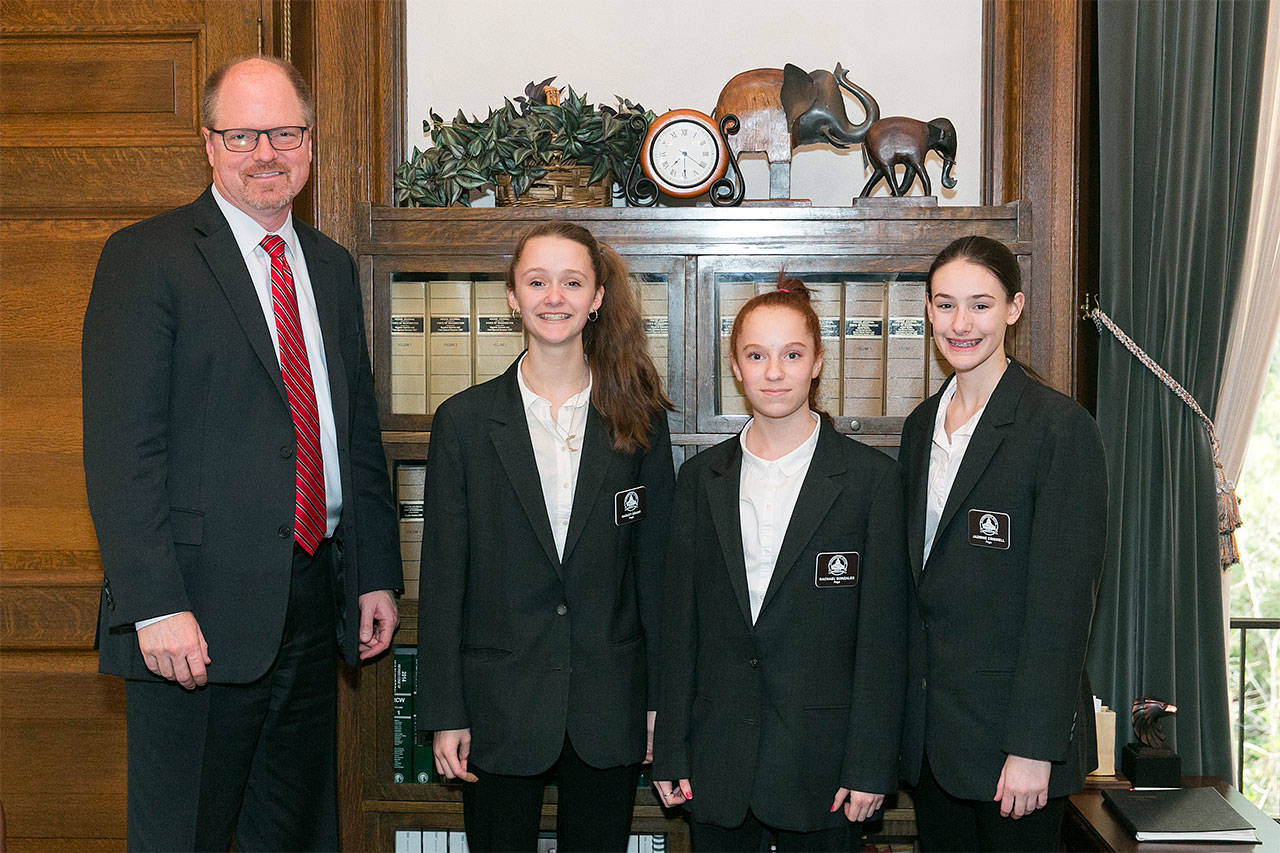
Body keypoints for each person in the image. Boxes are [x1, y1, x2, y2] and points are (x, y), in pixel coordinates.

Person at [81, 56, 402, 851]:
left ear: (312, 141)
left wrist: (372, 573)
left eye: (286, 132)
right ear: (208, 143)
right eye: (243, 133)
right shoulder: (146, 258)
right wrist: (154, 602)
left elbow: (352, 434)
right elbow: (123, 450)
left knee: (291, 835)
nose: (267, 151)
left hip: (310, 601)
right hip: (191, 616)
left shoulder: (327, 265)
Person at [416, 221, 676, 853]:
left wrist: (657, 703)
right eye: (537, 282)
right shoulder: (465, 423)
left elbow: (658, 575)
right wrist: (444, 711)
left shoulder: (640, 418)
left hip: (610, 704)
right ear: (512, 296)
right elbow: (444, 578)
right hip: (497, 708)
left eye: (571, 282)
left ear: (596, 299)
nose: (553, 297)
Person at [652, 278, 909, 852]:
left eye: (792, 355)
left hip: (824, 768)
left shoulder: (872, 482)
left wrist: (870, 764)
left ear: (817, 362)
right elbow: (679, 629)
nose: (774, 372)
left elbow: (883, 638)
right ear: (736, 368)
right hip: (716, 765)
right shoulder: (699, 481)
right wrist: (671, 747)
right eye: (757, 355)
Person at [897, 235, 1107, 851]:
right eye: (945, 304)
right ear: (928, 310)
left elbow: (1063, 607)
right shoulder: (917, 430)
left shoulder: (1059, 429)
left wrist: (1034, 748)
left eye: (980, 305)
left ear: (1013, 309)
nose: (961, 324)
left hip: (1015, 753)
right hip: (935, 747)